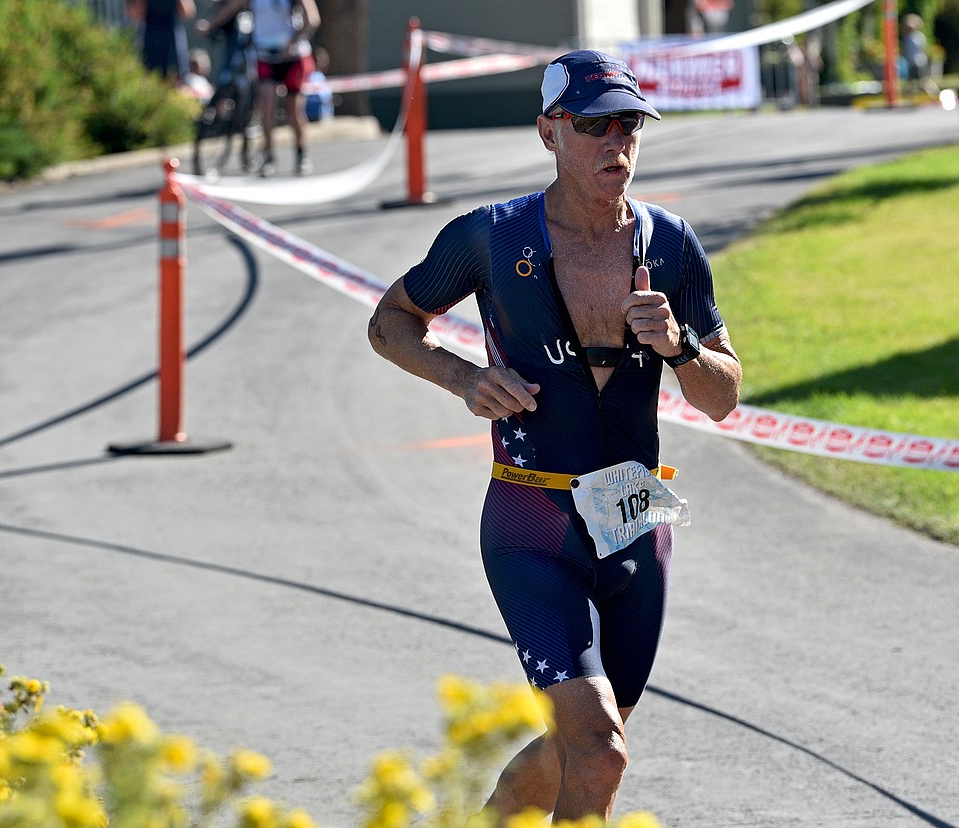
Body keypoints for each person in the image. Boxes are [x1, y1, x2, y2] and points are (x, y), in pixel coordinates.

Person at [367, 50, 742, 823]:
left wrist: (681, 348)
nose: (617, 142)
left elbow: (723, 397)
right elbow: (389, 323)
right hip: (531, 520)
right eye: (594, 123)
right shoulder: (493, 238)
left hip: (635, 515)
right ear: (549, 131)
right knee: (599, 748)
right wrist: (464, 379)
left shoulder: (670, 245)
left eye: (629, 124)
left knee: (584, 753)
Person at [198, 0, 321, 176]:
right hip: (265, 54)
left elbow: (313, 19)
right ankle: (269, 156)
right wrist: (210, 25)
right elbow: (230, 8)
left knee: (293, 110)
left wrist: (293, 41)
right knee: (267, 107)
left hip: (292, 56)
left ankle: (301, 153)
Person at [126, 0, 196, 83]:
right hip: (166, 34)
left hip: (155, 34)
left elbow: (137, 13)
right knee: (171, 77)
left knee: (151, 75)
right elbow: (186, 12)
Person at [304, 46, 334, 123]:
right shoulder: (310, 77)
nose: (324, 64)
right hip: (311, 117)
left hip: (324, 116)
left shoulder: (321, 77)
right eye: (321, 61)